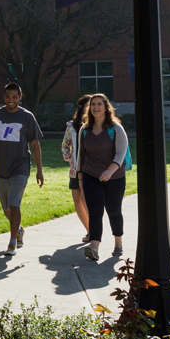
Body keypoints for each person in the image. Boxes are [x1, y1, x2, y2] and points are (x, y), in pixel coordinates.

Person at [0, 82, 43, 256]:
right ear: (3, 96)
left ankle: (12, 242)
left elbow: (35, 145)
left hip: (20, 167)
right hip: (1, 168)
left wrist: (39, 170)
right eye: (7, 96)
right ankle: (19, 230)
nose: (10, 100)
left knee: (14, 204)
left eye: (14, 97)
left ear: (20, 97)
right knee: (7, 209)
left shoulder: (27, 117)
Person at [77, 93, 130, 261]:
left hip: (114, 177)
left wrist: (110, 171)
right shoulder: (84, 130)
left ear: (106, 107)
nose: (95, 107)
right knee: (95, 212)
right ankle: (94, 247)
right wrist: (80, 176)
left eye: (99, 104)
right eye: (93, 104)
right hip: (91, 175)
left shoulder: (115, 128)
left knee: (114, 211)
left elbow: (121, 153)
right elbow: (81, 155)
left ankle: (118, 243)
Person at [60, 94, 93, 244]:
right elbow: (65, 145)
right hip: (75, 169)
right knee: (77, 201)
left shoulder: (96, 126)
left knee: (86, 199)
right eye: (87, 106)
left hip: (91, 169)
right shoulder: (71, 126)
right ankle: (89, 231)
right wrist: (70, 158)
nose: (90, 109)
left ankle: (94, 230)